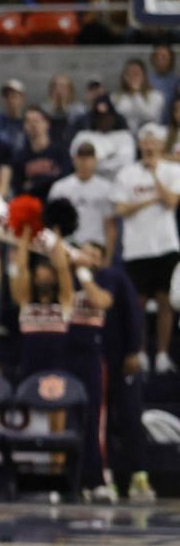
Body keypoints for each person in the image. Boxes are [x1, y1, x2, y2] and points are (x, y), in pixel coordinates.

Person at [110, 123, 180, 372]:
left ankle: (161, 354)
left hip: (165, 245)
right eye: (145, 141)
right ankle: (139, 351)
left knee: (165, 301)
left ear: (162, 145)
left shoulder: (173, 170)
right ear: (140, 145)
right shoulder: (126, 174)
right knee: (136, 302)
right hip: (136, 248)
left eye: (154, 141)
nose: (149, 146)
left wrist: (154, 175)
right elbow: (119, 209)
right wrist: (150, 200)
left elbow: (172, 201)